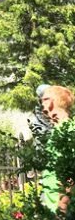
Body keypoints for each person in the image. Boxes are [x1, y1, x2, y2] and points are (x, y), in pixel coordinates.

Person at [39, 85, 74, 213]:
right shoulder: (57, 131)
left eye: (42, 100)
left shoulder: (68, 131)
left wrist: (63, 204)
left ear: (51, 101)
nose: (41, 104)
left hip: (62, 209)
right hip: (51, 204)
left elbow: (71, 171)